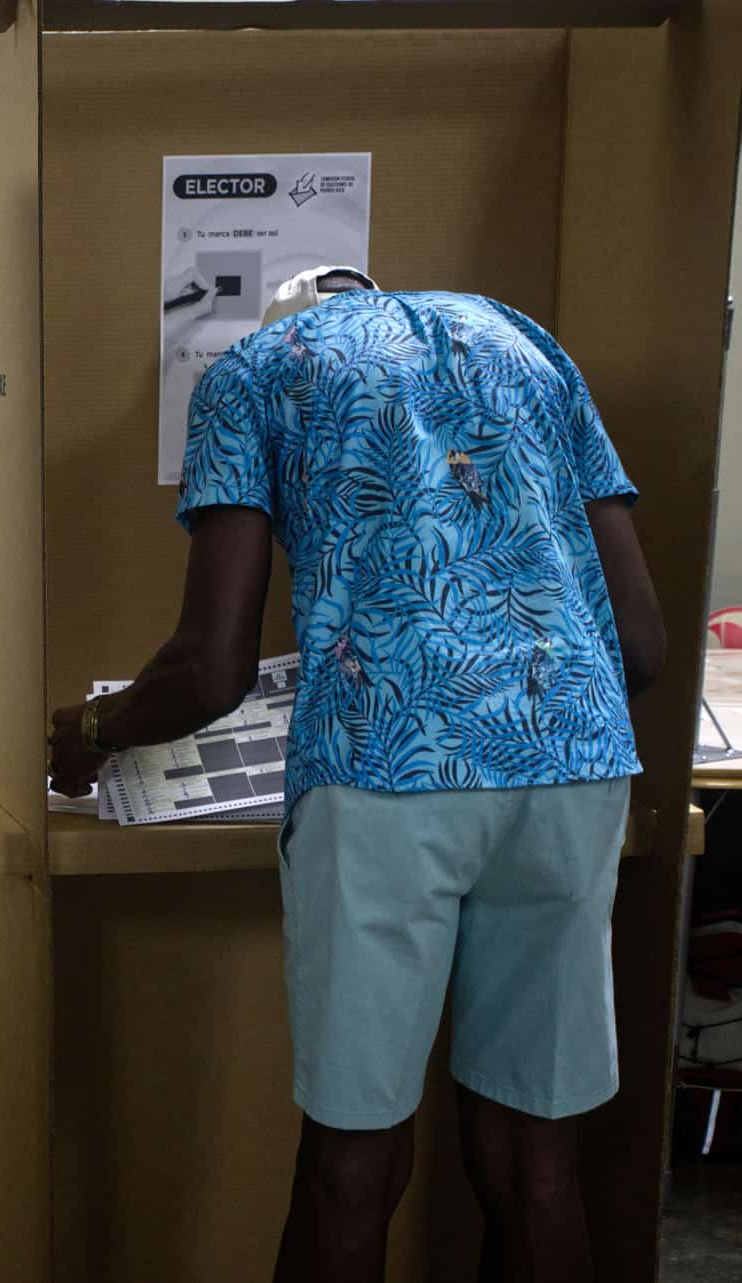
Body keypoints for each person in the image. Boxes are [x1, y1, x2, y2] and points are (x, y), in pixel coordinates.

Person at [49, 268, 666, 1283]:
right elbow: (638, 642)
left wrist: (93, 728)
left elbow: (211, 668)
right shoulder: (526, 344)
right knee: (535, 1159)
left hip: (386, 772)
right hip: (574, 760)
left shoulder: (252, 370)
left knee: (353, 1161)